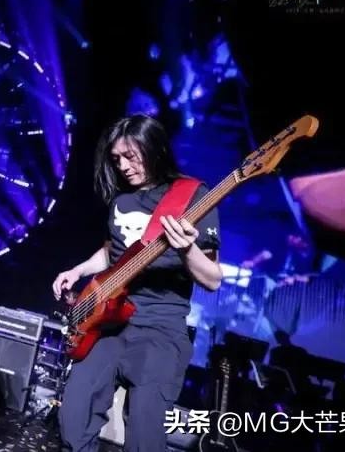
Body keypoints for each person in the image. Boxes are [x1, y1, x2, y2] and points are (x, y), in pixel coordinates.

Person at [51, 114, 222, 452]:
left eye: (131, 156)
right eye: (117, 159)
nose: (123, 166)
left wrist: (187, 249)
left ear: (154, 148)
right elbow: (113, 252)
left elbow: (213, 279)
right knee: (74, 416)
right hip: (109, 325)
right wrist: (79, 270)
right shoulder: (121, 198)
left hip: (160, 328)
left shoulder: (192, 195)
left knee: (145, 438)